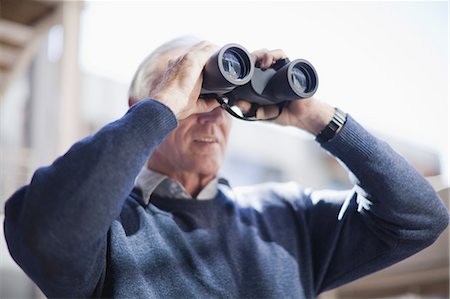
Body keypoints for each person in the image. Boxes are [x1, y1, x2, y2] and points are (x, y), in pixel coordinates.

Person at [3, 37, 449, 298]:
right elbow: (48, 234)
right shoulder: (109, 228)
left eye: (223, 98)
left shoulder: (286, 214)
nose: (212, 112)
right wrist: (164, 108)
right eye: (194, 95)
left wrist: (316, 117)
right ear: (141, 109)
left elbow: (420, 218)